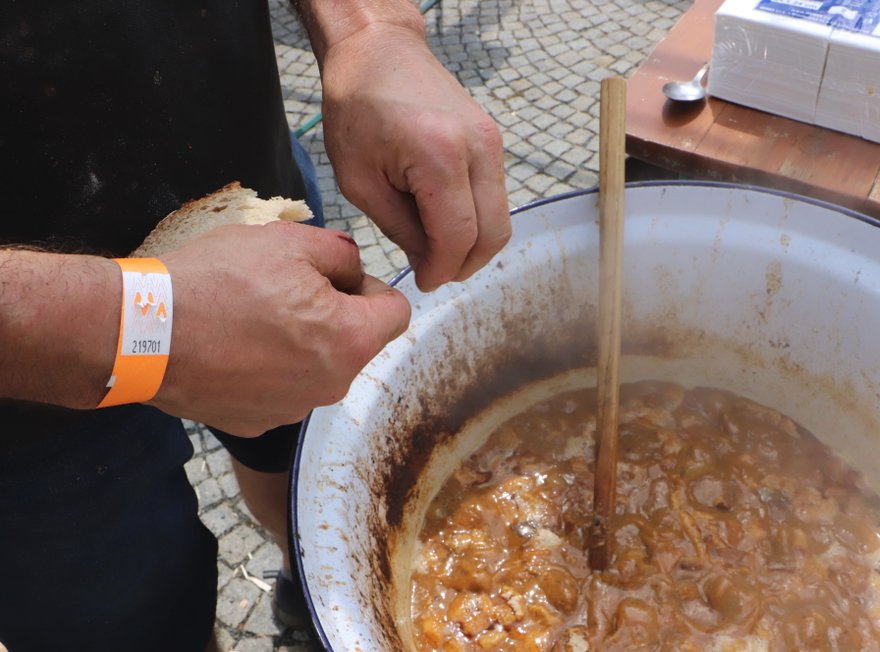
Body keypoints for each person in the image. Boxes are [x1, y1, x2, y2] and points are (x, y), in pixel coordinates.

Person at [0, 0, 510, 650]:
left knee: (295, 474)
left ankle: (302, 590)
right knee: (135, 625)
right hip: (20, 416)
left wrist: (369, 31)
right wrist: (137, 324)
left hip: (252, 188)